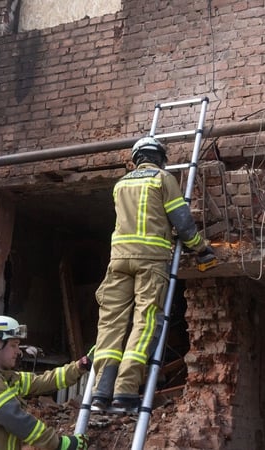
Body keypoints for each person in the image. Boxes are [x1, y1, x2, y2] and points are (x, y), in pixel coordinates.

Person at [91, 136, 215, 411]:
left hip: (119, 260)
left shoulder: (120, 184)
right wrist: (201, 248)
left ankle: (101, 392)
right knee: (145, 322)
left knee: (111, 325)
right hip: (151, 261)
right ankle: (125, 393)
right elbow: (181, 220)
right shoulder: (162, 179)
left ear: (136, 158)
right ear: (160, 158)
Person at [0, 315, 91, 450]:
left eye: (18, 345)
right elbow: (19, 422)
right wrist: (61, 443)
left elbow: (41, 381)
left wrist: (78, 367)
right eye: (13, 345)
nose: (18, 351)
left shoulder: (6, 378)